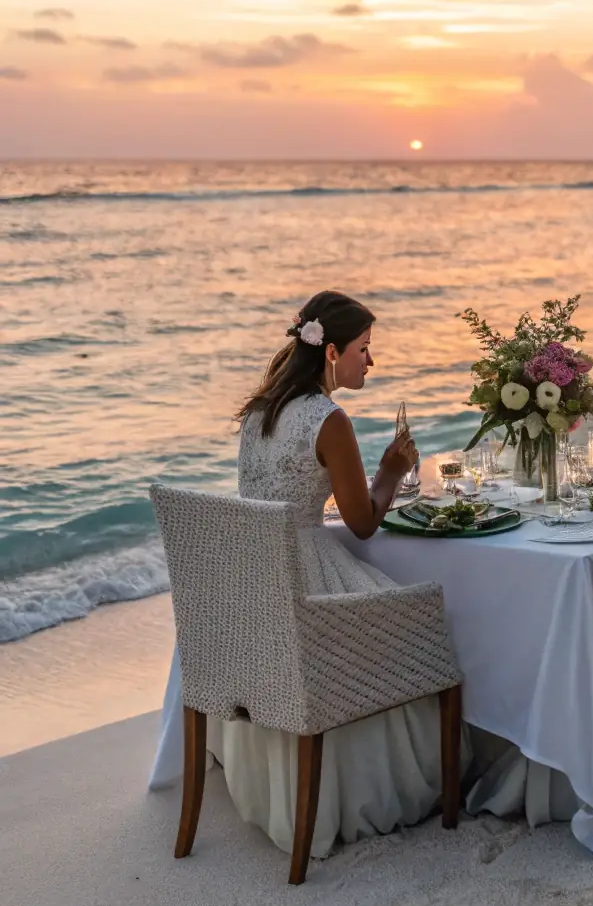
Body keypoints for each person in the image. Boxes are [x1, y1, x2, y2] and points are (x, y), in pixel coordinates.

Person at [149, 290, 450, 860]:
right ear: (332, 351)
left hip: (250, 579)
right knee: (415, 623)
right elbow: (361, 523)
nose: (371, 361)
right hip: (303, 572)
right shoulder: (329, 419)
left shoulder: (261, 410)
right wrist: (392, 467)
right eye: (365, 349)